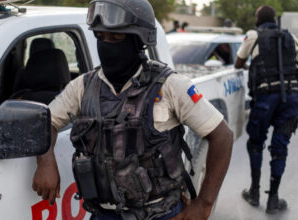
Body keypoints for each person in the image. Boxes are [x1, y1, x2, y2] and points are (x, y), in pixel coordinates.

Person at [32, 0, 233, 219]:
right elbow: (46, 123)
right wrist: (46, 162)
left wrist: (204, 203)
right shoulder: (83, 87)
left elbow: (222, 136)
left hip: (161, 214)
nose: (107, 45)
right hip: (102, 214)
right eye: (101, 37)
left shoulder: (170, 86)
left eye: (117, 38)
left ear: (138, 42)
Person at [235, 5, 298, 214]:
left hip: (265, 99)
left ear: (258, 19)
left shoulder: (253, 35)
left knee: (255, 143)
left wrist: (254, 68)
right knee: (280, 147)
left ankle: (254, 193)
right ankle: (273, 199)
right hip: (290, 99)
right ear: (274, 19)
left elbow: (238, 63)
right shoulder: (291, 37)